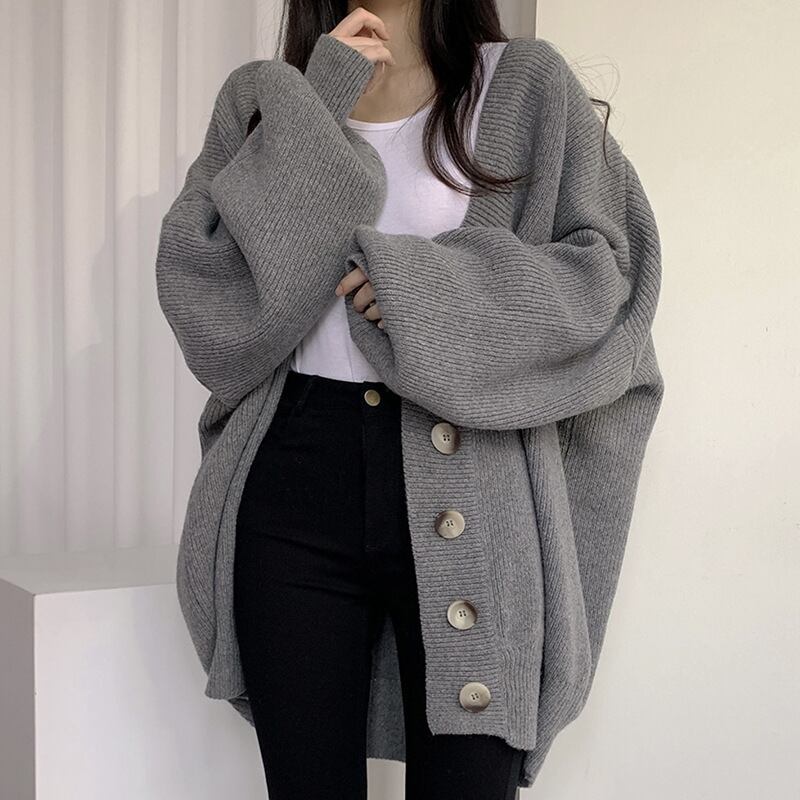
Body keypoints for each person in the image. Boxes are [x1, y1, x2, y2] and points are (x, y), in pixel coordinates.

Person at [155, 1, 665, 798]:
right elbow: (208, 304)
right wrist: (313, 104)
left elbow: (609, 284)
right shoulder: (269, 100)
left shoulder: (526, 86)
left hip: (475, 480)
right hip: (293, 483)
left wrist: (423, 294)